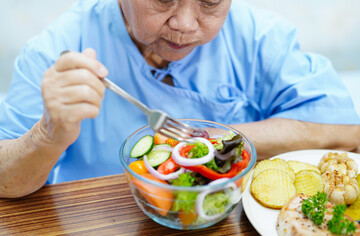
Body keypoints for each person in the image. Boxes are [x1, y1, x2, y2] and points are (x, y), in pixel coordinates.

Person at [0, 0, 359, 198]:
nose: (186, 23)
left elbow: (346, 133)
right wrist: (47, 136)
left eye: (210, 1)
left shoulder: (259, 38)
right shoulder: (55, 49)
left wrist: (206, 141)